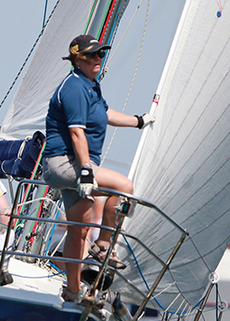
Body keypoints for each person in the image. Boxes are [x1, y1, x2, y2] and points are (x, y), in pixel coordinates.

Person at [42, 34, 154, 302]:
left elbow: (106, 114)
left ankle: (72, 290)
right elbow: (77, 132)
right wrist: (85, 170)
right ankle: (104, 245)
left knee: (79, 230)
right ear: (77, 59)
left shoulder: (90, 86)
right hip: (66, 163)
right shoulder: (73, 87)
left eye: (100, 54)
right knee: (124, 187)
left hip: (76, 165)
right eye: (91, 55)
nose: (97, 59)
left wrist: (139, 121)